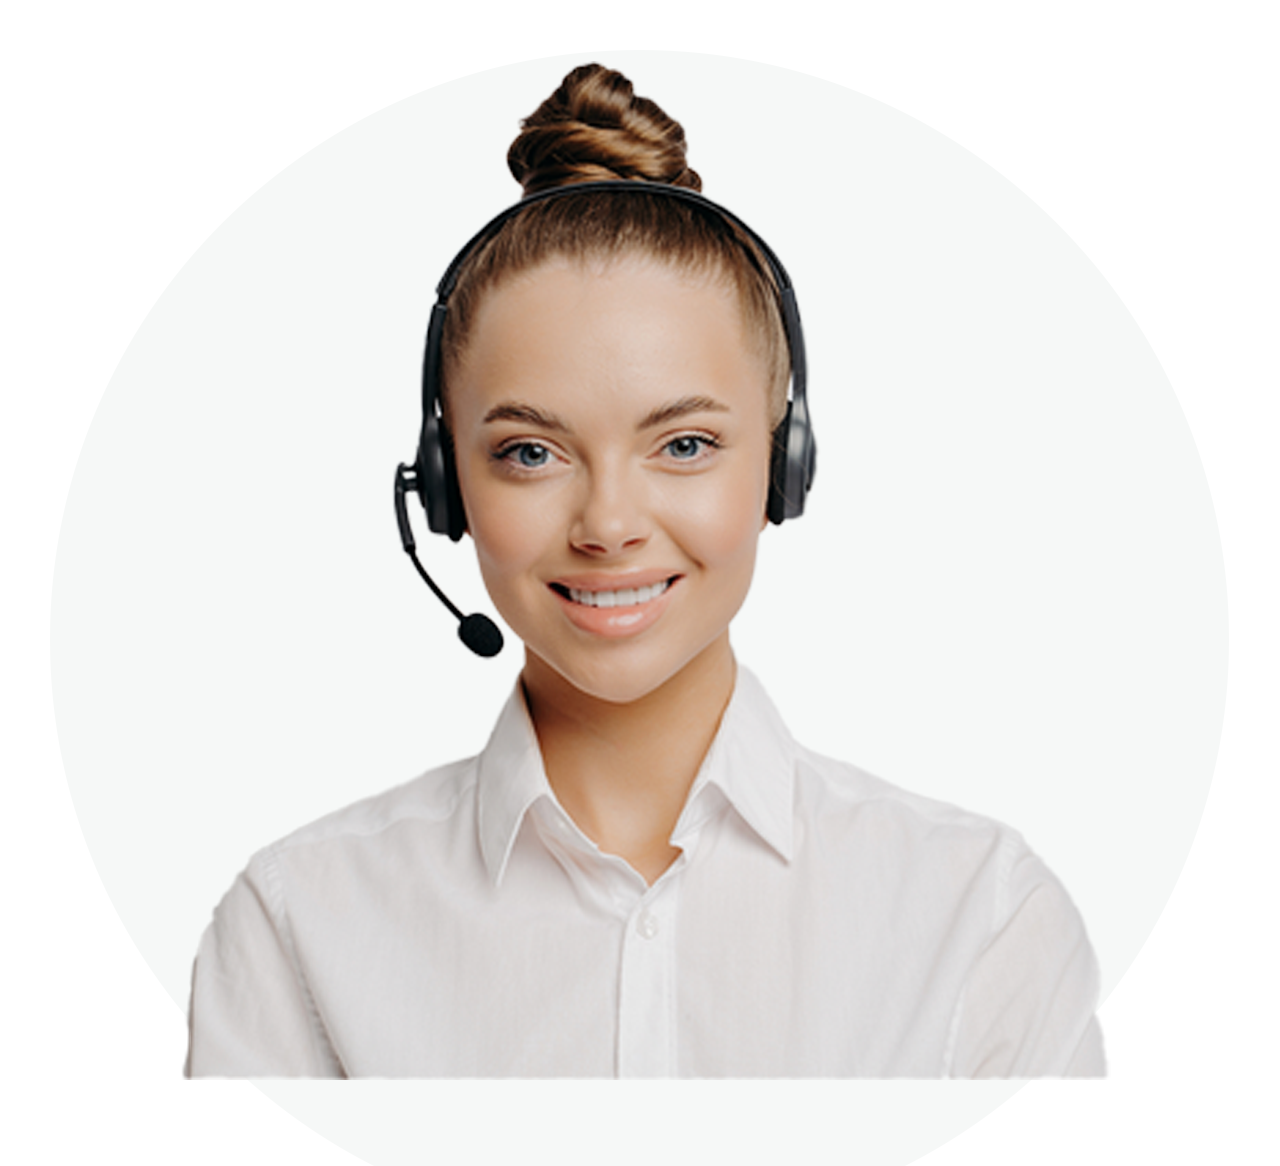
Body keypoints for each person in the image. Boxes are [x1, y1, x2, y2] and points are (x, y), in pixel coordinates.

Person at [185, 64, 1105, 1078]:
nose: (609, 525)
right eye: (530, 452)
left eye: (683, 444)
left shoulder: (978, 917)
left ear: (781, 463)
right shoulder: (295, 928)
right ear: (445, 486)